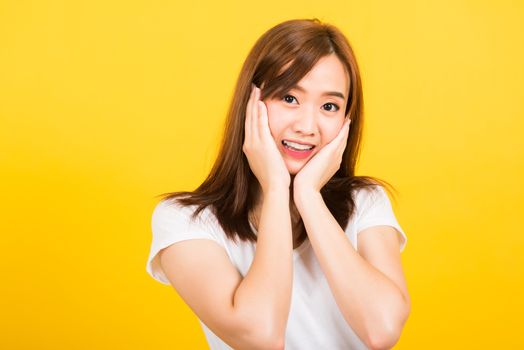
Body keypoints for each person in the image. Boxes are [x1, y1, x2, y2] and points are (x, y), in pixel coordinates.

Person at [146, 18, 410, 350]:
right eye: (288, 98)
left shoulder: (366, 202)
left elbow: (382, 330)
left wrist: (308, 196)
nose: (307, 126)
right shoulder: (186, 221)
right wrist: (275, 189)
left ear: (346, 121)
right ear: (250, 103)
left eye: (329, 106)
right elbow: (263, 336)